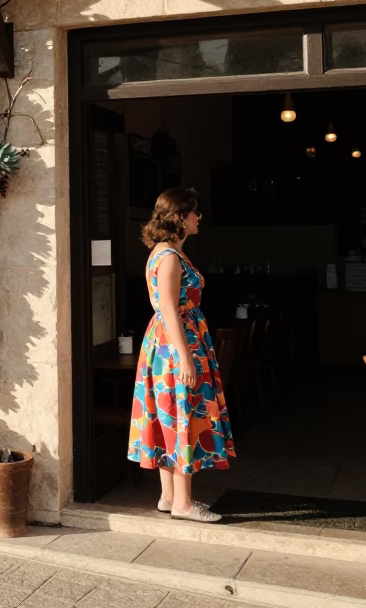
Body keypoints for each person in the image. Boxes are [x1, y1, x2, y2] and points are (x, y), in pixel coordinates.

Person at [127, 187, 235, 522]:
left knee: (169, 414)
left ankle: (169, 496)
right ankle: (184, 503)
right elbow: (170, 310)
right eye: (194, 212)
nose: (198, 217)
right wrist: (185, 356)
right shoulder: (170, 257)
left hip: (166, 343)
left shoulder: (165, 252)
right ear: (178, 217)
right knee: (182, 414)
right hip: (177, 343)